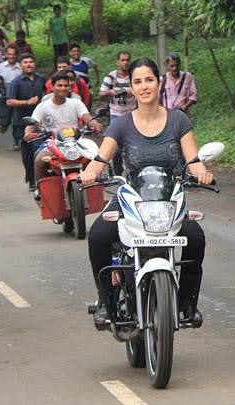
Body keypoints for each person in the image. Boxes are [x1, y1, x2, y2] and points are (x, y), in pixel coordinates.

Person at [81, 58, 214, 328]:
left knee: (195, 238)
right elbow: (100, 158)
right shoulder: (121, 124)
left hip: (169, 201)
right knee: (98, 237)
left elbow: (193, 159)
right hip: (131, 198)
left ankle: (187, 303)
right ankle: (106, 302)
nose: (144, 87)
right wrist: (90, 171)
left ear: (159, 82)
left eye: (149, 80)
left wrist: (202, 171)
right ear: (130, 87)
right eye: (137, 82)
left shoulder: (178, 120)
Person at [26, 70, 103, 187]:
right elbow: (32, 124)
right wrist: (28, 133)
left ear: (70, 88)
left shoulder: (76, 103)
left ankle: (97, 185)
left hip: (76, 142)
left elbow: (87, 118)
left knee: (95, 156)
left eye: (66, 85)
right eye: (59, 85)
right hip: (52, 143)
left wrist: (95, 124)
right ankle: (40, 189)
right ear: (52, 87)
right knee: (40, 160)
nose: (63, 88)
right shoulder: (43, 106)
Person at [6, 53, 46, 191]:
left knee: (41, 150)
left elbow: (48, 94)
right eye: (25, 62)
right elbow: (9, 101)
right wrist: (26, 102)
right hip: (22, 122)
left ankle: (42, 179)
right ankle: (31, 180)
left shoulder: (41, 79)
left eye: (31, 61)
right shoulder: (16, 82)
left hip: (40, 122)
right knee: (27, 154)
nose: (28, 64)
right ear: (21, 65)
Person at [98, 51, 136, 176]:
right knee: (116, 146)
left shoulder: (133, 76)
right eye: (122, 60)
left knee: (133, 144)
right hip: (115, 114)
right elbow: (101, 95)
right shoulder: (111, 77)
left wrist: (132, 91)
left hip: (132, 114)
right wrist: (111, 92)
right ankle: (118, 172)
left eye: (127, 60)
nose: (125, 62)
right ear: (118, 62)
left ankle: (133, 171)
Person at [0, 46, 22, 143]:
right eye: (9, 54)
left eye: (13, 54)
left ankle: (16, 141)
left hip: (18, 96)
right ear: (6, 55)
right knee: (5, 117)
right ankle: (4, 125)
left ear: (16, 55)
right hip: (5, 95)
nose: (11, 56)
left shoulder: (21, 67)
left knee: (17, 120)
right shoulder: (0, 67)